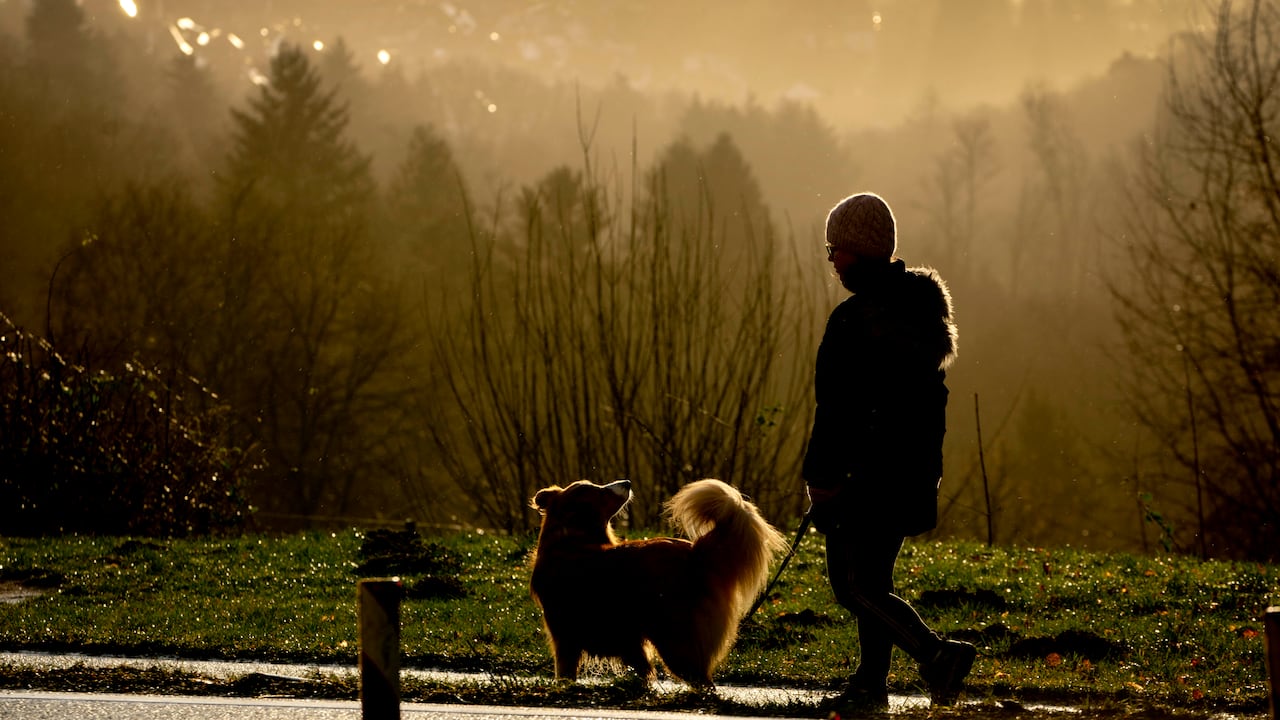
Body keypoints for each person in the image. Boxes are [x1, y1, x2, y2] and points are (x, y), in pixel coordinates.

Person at [802, 192, 975, 710]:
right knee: (873, 583)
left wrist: (823, 475)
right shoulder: (918, 315)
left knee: (852, 587)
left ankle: (937, 655)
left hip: (863, 477)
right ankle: (870, 684)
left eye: (835, 248)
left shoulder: (855, 321)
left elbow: (837, 409)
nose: (831, 258)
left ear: (857, 250)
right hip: (911, 473)